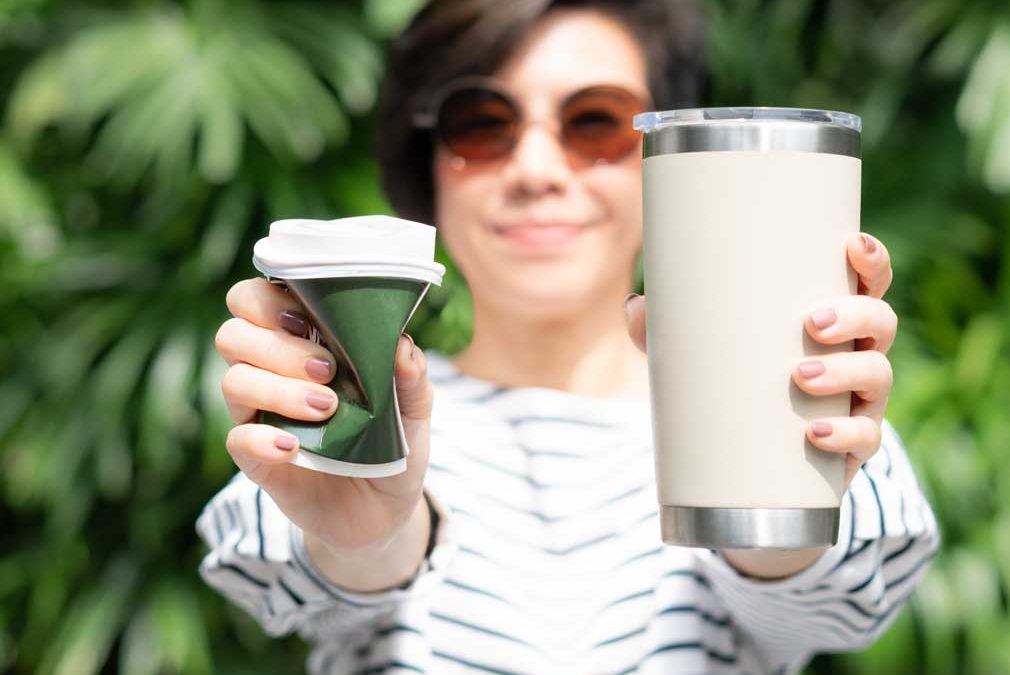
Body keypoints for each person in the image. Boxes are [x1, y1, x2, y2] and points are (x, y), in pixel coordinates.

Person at [198, 1, 940, 673]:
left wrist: (775, 468)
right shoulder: (350, 411)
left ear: (673, 159)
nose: (536, 169)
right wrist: (369, 527)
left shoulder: (821, 416)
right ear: (426, 167)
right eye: (482, 125)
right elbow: (298, 579)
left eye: (595, 122)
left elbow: (829, 609)